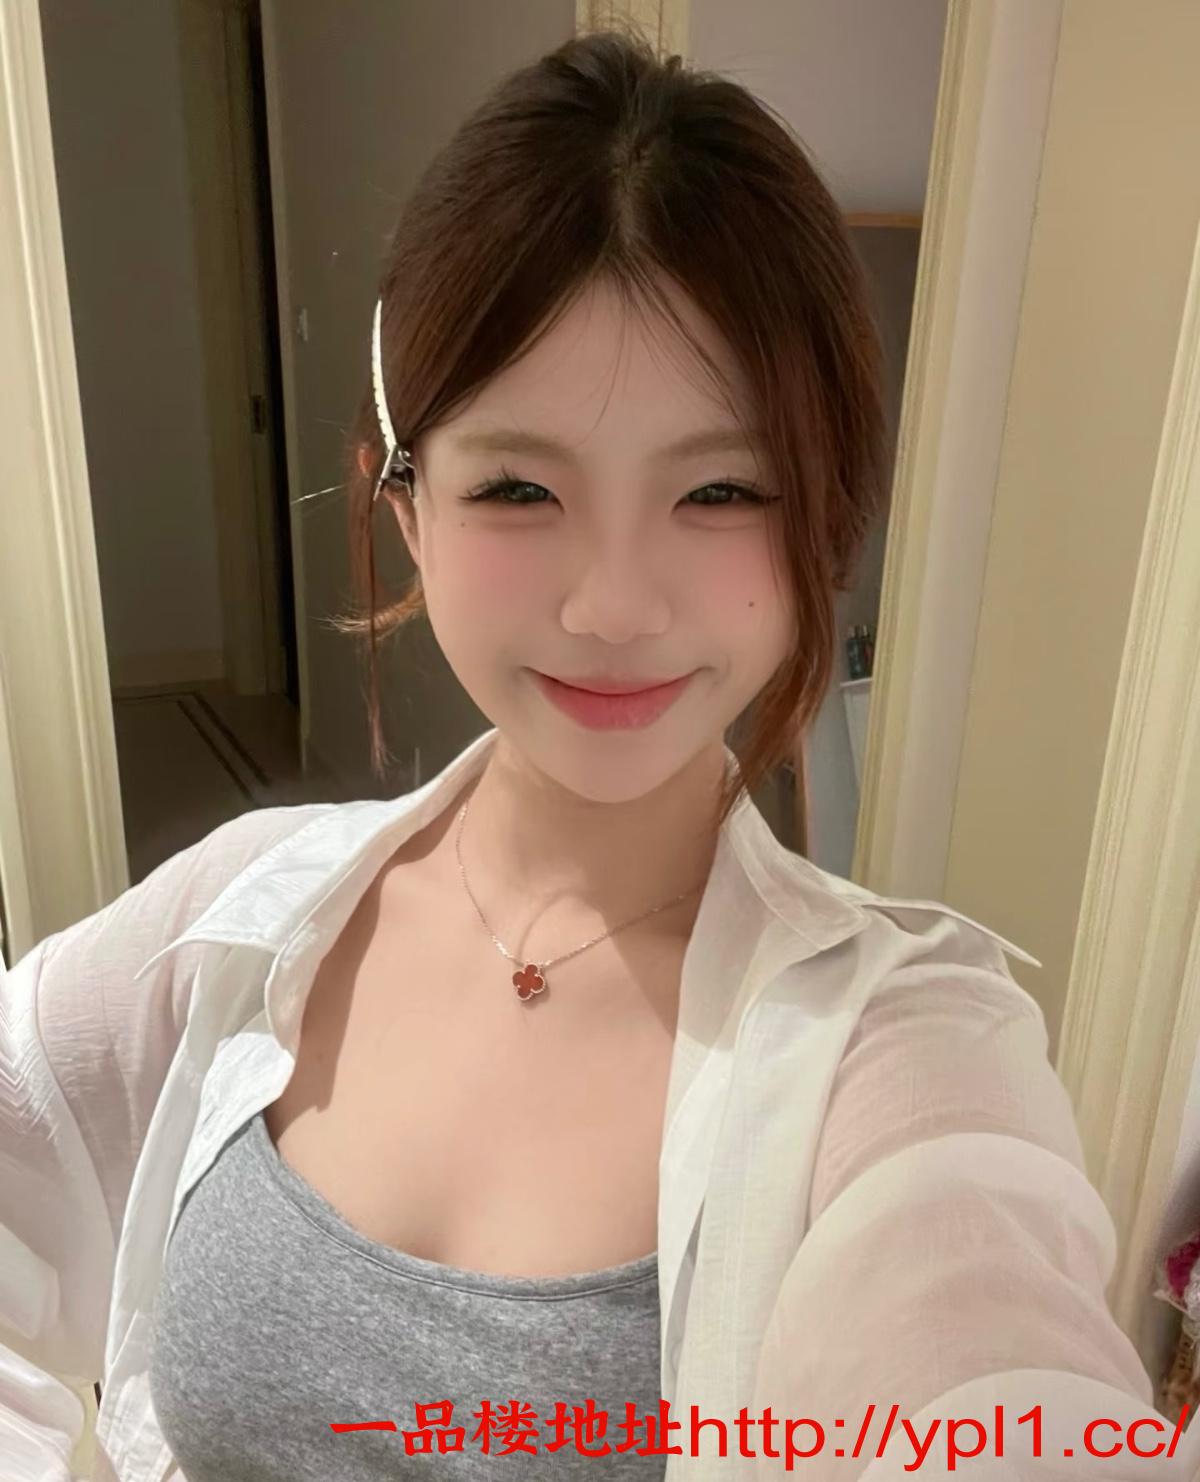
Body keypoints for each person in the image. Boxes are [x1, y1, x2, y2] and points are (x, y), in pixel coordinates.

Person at [2, 25, 1196, 1482]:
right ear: (408, 504)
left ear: (823, 518)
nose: (615, 605)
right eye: (518, 487)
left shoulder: (903, 1046)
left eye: (721, 490)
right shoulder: (239, 909)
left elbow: (1000, 1378)